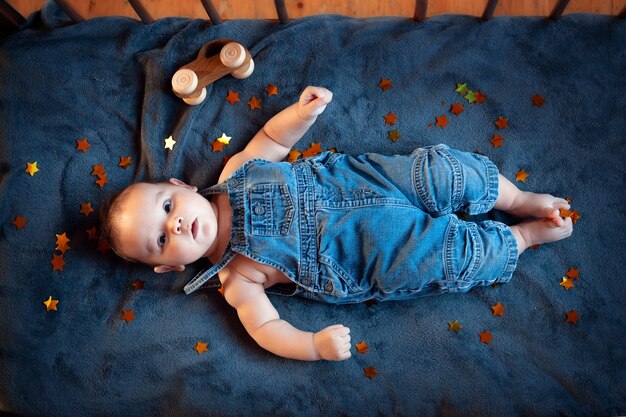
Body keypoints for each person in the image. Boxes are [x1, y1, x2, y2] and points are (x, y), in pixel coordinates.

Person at [100, 86, 573, 361]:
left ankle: (517, 197)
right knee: (448, 257)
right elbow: (267, 329)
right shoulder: (236, 279)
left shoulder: (235, 171)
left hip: (371, 182)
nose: (177, 226)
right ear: (168, 268)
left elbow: (271, 138)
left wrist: (301, 114)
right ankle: (523, 237)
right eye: (160, 241)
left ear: (181, 186)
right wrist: (313, 345)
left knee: (442, 173)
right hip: (373, 252)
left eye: (166, 208)